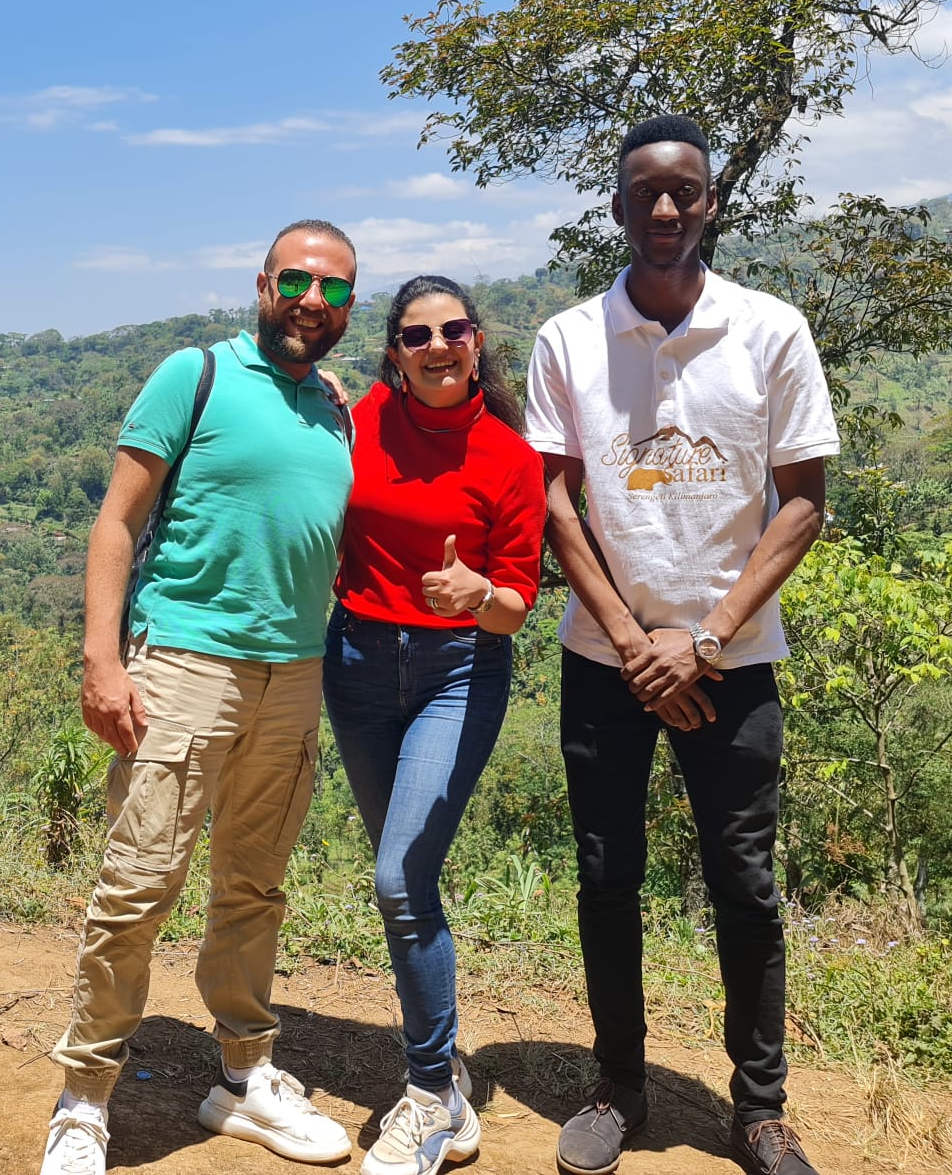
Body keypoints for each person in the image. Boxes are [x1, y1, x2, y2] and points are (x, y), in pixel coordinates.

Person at [524, 115, 837, 1175]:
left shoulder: (769, 330)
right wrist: (628, 638)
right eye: (643, 192)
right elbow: (553, 496)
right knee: (606, 876)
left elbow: (800, 504)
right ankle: (618, 1087)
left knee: (741, 881)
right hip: (601, 658)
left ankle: (757, 1109)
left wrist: (698, 643)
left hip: (731, 660)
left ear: (708, 205)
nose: (663, 208)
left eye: (684, 191)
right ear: (616, 209)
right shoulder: (568, 338)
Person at [41, 219, 362, 1175]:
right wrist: (104, 662)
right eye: (297, 281)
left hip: (295, 672)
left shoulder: (334, 409)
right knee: (139, 887)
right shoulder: (197, 373)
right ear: (262, 282)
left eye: (335, 290)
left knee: (254, 887)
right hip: (183, 663)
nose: (314, 301)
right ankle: (84, 1097)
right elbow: (116, 522)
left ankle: (244, 1077)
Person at [324, 275, 544, 1175]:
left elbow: (518, 605)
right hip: (358, 665)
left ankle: (429, 1097)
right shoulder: (362, 417)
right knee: (407, 888)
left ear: (478, 340)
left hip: (459, 671)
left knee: (398, 875)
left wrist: (476, 593)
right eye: (418, 336)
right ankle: (443, 1071)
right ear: (394, 354)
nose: (438, 346)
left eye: (454, 329)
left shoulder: (509, 457)